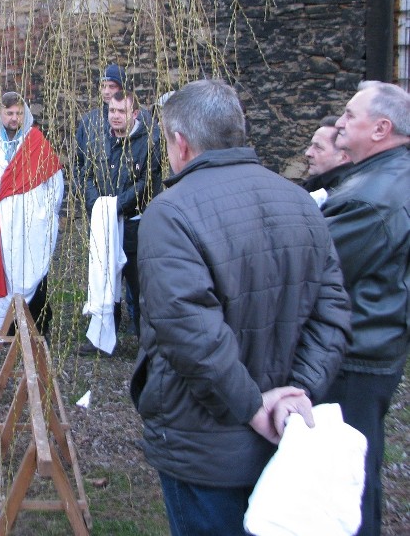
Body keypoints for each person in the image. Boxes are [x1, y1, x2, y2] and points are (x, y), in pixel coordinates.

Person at [130, 79, 351, 536]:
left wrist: (255, 406)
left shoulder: (170, 213)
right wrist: (296, 397)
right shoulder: (300, 200)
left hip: (203, 438)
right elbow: (332, 315)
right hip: (282, 430)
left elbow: (187, 332)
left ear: (180, 142)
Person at [320, 80, 410, 536]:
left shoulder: (373, 197)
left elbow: (317, 266)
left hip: (356, 353)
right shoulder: (383, 178)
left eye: (350, 115)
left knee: (347, 474)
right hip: (374, 344)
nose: (339, 122)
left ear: (381, 128)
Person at [75, 66, 163, 354]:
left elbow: (147, 182)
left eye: (121, 111)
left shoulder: (149, 139)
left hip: (134, 224)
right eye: (111, 110)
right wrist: (95, 204)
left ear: (134, 113)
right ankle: (102, 339)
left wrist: (115, 205)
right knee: (103, 280)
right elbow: (85, 171)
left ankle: (145, 343)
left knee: (138, 287)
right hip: (104, 221)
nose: (114, 115)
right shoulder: (98, 134)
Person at [0, 91, 64, 334]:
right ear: (0, 113)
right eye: (9, 113)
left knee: (35, 269)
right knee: (5, 273)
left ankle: (38, 325)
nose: (14, 118)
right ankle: (8, 329)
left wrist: (46, 213)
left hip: (32, 224)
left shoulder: (36, 141)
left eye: (19, 113)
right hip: (0, 225)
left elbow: (55, 182)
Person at [302, 115, 353, 206]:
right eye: (311, 145)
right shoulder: (314, 188)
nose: (308, 153)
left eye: (318, 147)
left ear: (343, 157)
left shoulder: (344, 201)